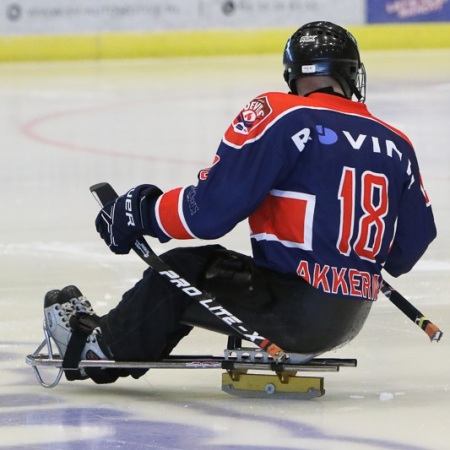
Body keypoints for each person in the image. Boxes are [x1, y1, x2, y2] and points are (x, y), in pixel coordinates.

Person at [44, 21, 437, 384]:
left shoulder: (282, 114)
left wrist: (141, 213)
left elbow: (210, 212)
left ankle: (95, 351)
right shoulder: (396, 141)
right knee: (214, 265)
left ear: (293, 74)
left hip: (292, 312)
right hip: (348, 318)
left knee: (181, 272)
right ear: (352, 75)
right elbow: (410, 247)